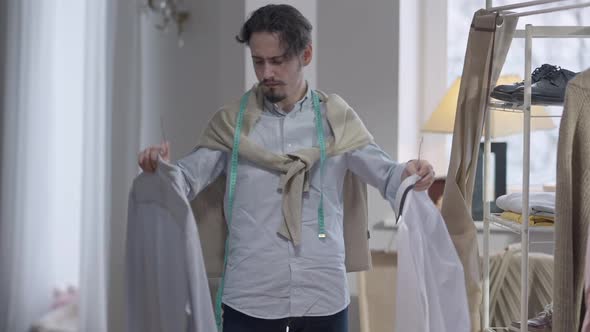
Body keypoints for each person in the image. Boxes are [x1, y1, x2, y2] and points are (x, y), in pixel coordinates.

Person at [137, 4, 434, 332]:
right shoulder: (231, 126)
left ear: (305, 55)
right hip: (249, 296)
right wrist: (160, 170)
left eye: (277, 61)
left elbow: (388, 174)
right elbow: (186, 179)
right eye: (258, 61)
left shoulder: (337, 121)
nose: (266, 73)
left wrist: (410, 173)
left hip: (324, 294)